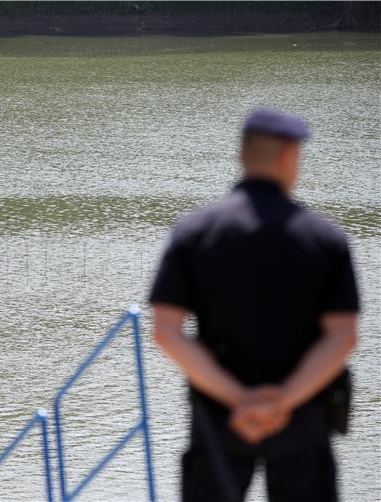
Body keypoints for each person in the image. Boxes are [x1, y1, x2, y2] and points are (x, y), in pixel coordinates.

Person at [149, 109, 359, 502]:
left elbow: (167, 331)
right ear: (288, 158)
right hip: (304, 416)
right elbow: (343, 337)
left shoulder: (195, 231)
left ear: (242, 156)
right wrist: (281, 401)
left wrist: (239, 400)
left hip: (219, 418)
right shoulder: (324, 239)